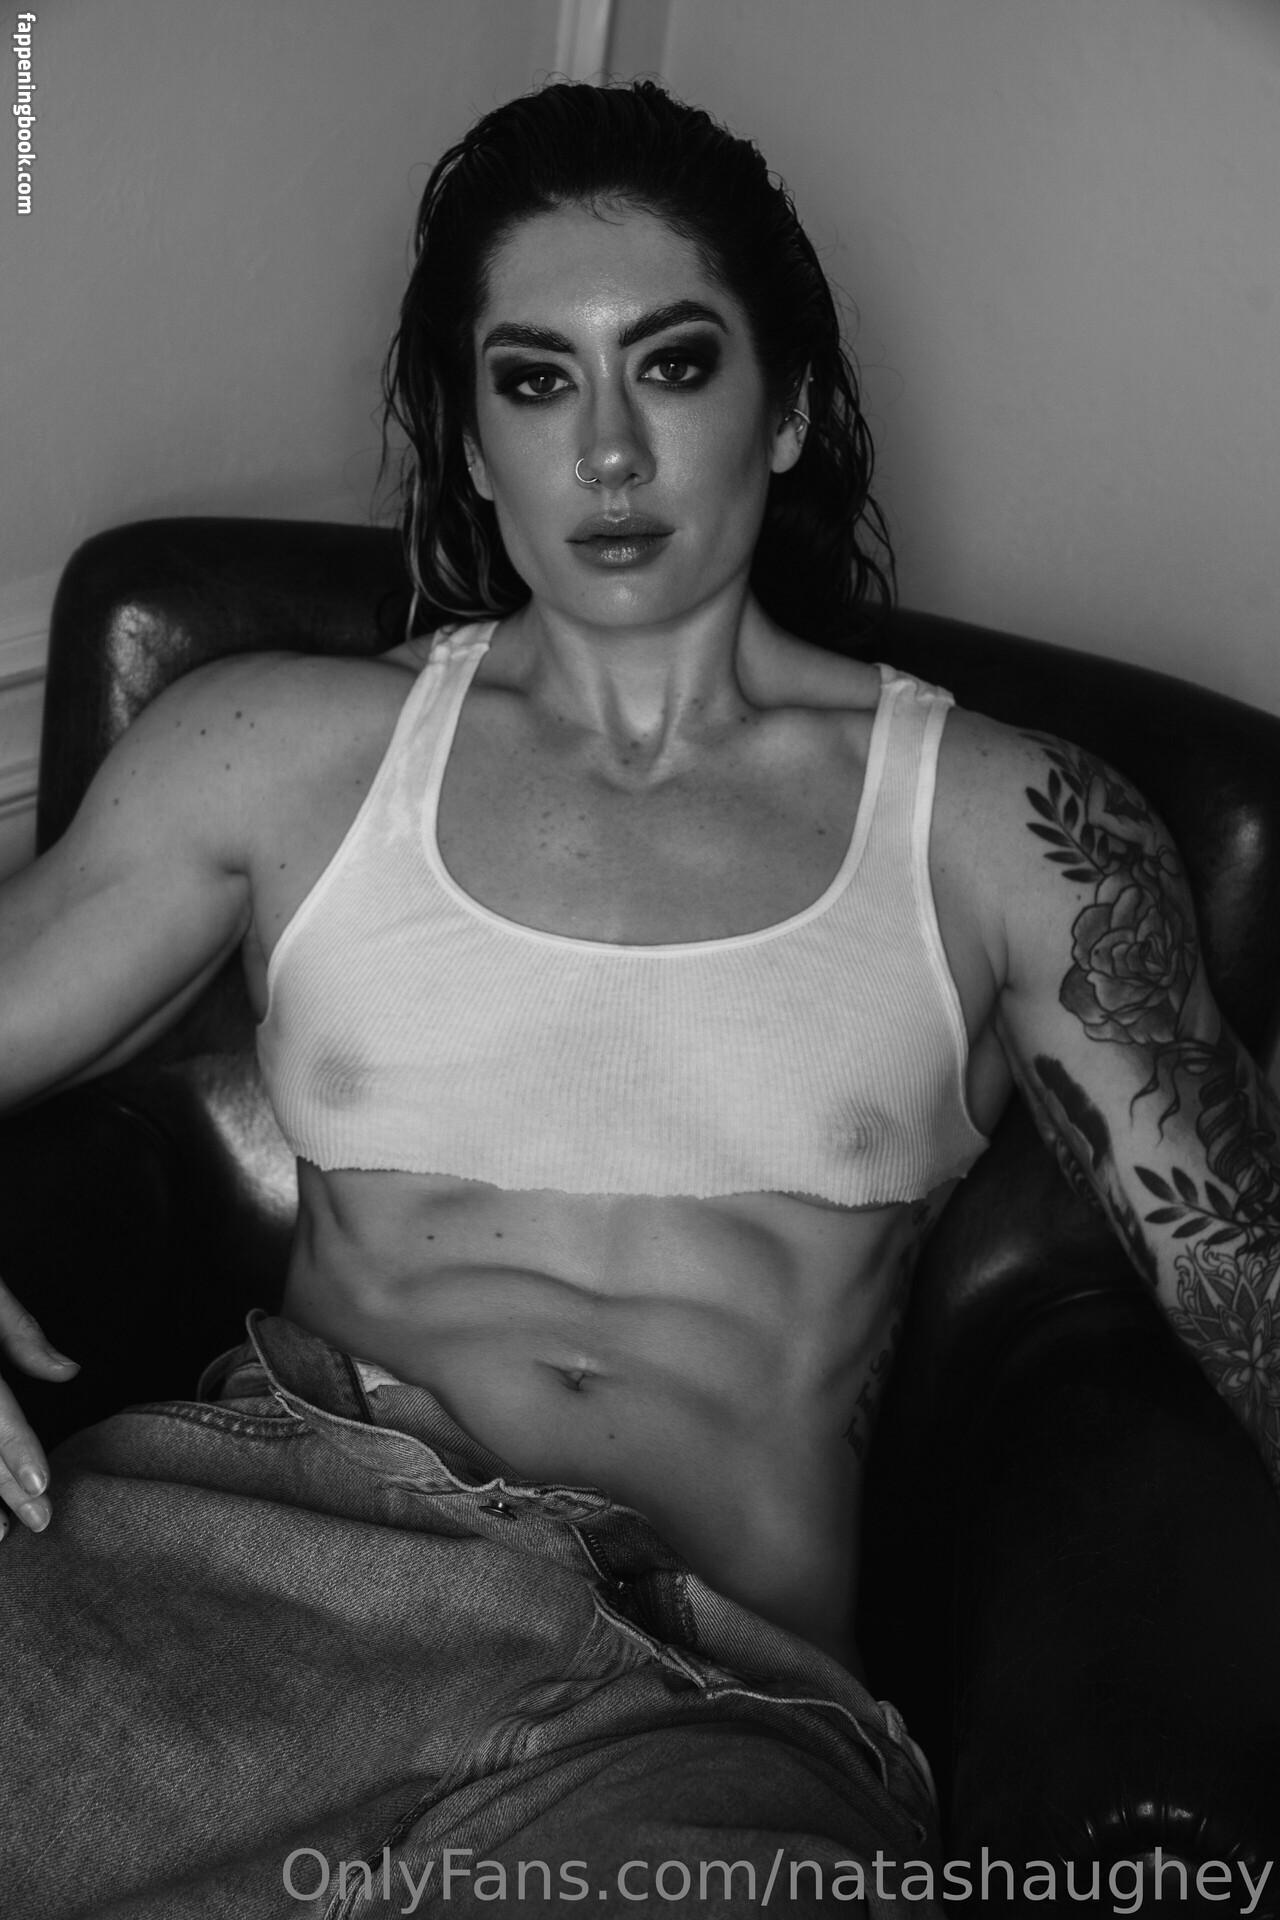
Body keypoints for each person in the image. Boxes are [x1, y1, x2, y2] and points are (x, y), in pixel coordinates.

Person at [0, 79, 1276, 1918]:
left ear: (790, 408)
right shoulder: (279, 754)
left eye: (672, 367)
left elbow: (1255, 1293)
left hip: (689, 1696)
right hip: (244, 1566)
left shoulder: (1008, 831)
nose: (607, 454)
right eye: (535, 382)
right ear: (470, 439)